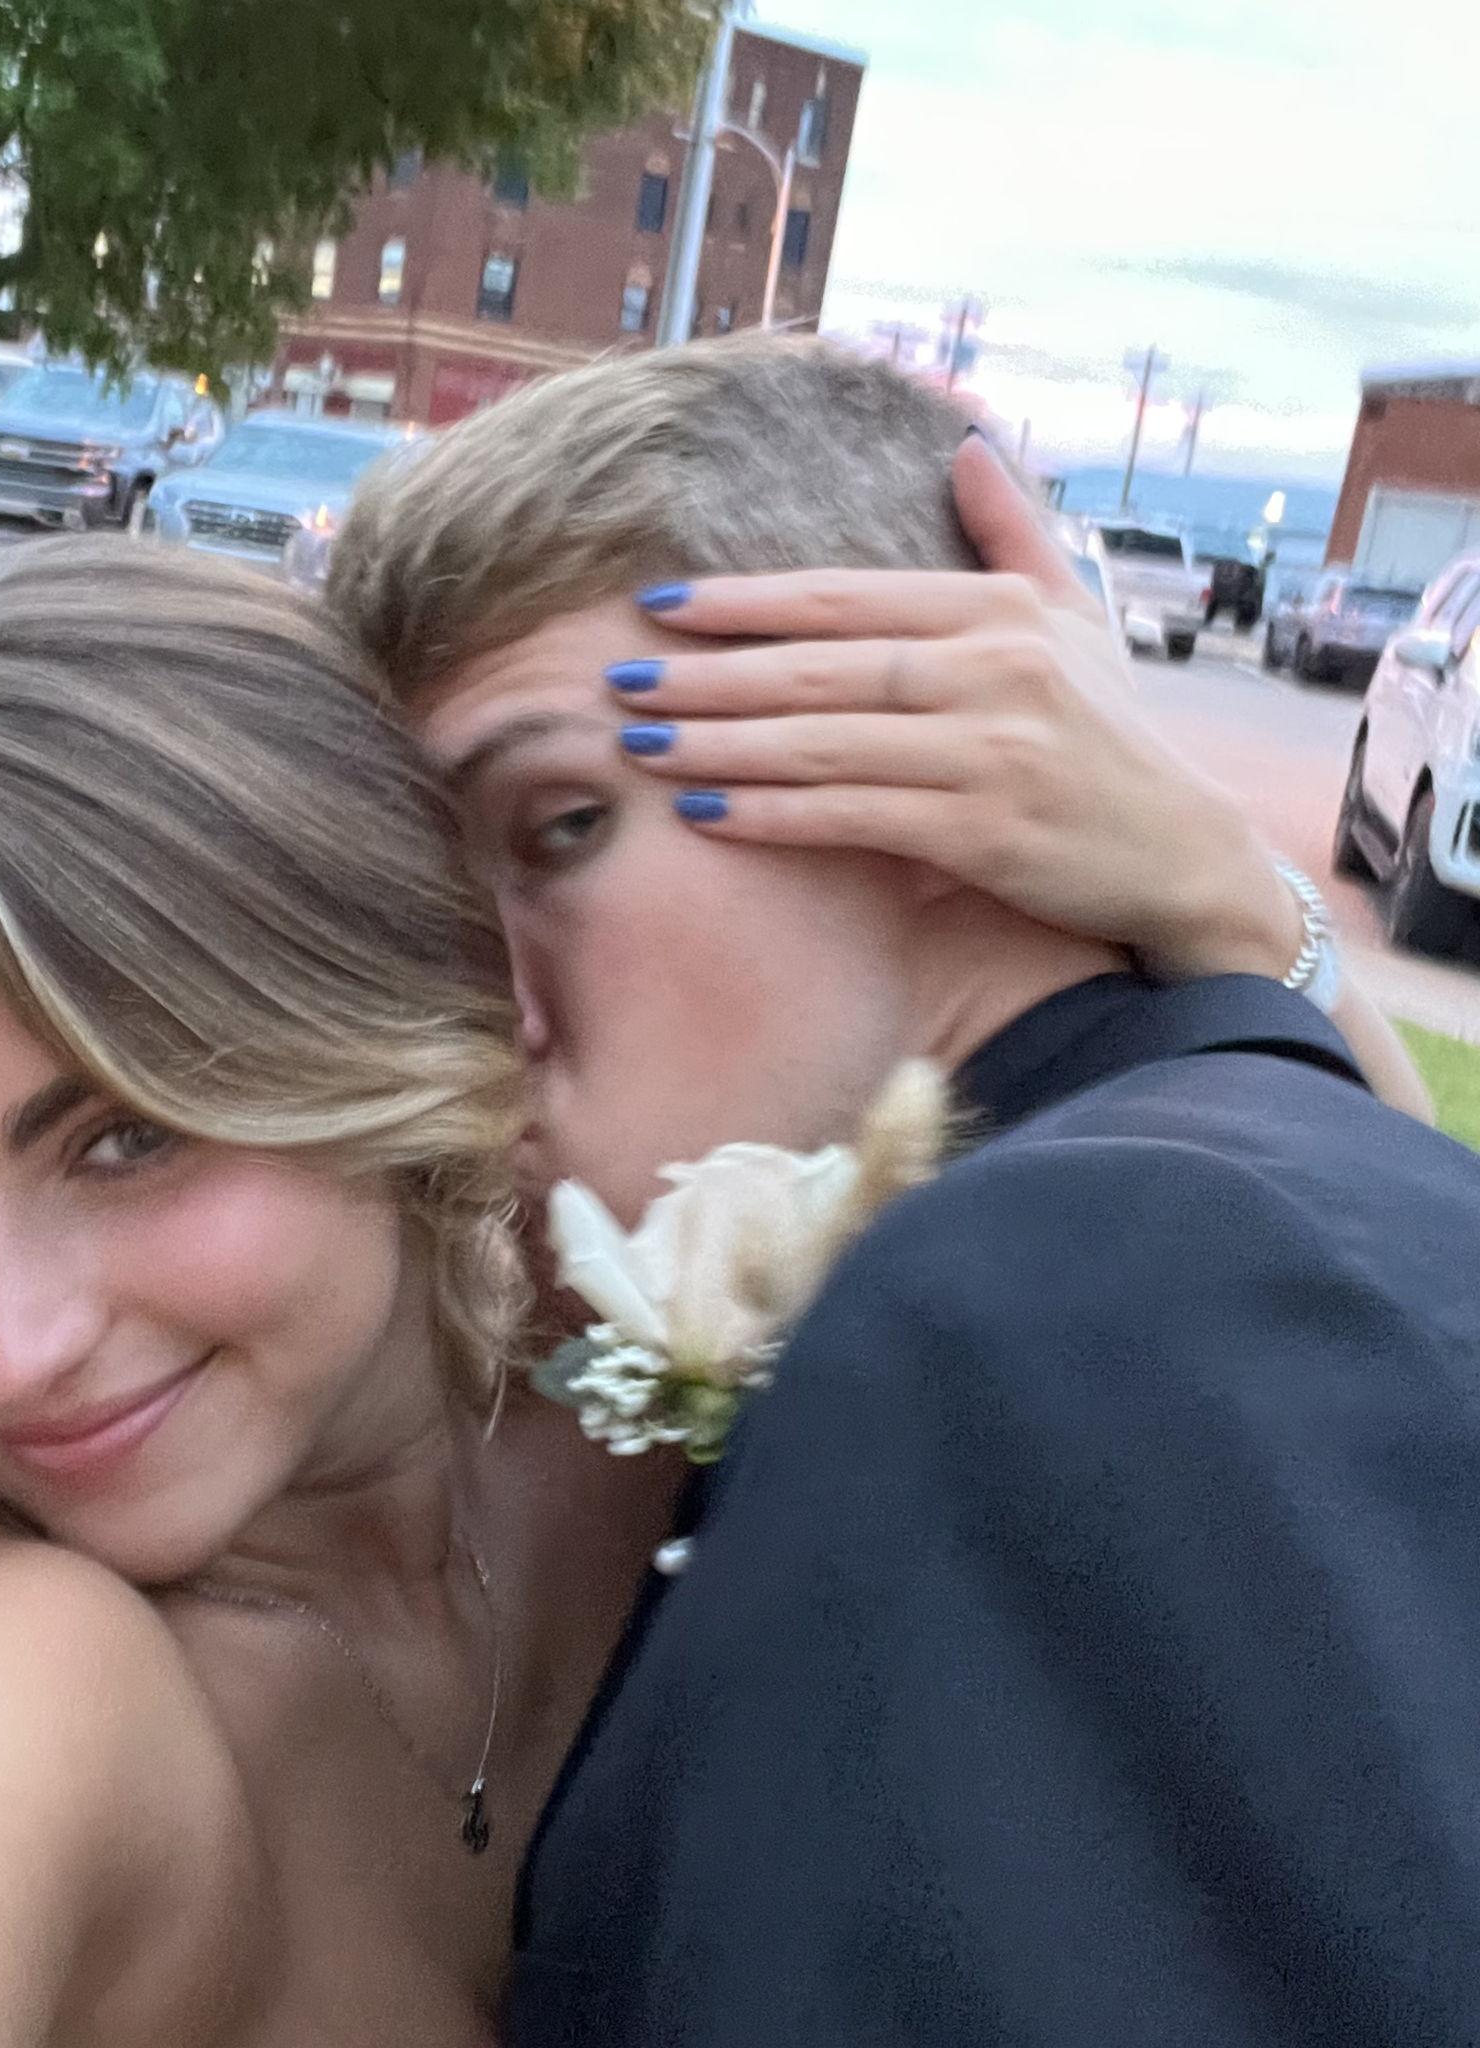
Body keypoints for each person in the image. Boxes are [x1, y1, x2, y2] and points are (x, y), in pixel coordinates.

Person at [0, 349, 1435, 2048]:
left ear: (363, 1022)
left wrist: (1214, 894)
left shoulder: (716, 1366)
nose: (9, 1349)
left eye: (126, 1135)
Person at [328, 331, 1480, 2043]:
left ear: (968, 768)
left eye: (560, 826)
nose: (468, 1007)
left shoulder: (1060, 1297)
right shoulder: (1237, 1207)